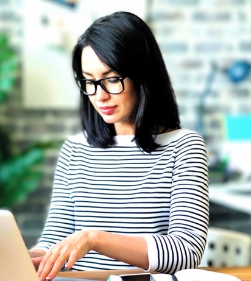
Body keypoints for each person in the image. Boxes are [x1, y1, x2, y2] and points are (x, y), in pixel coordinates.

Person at [28, 11, 210, 281]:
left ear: (142, 75)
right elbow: (56, 236)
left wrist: (94, 239)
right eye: (89, 81)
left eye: (111, 79)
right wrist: (30, 257)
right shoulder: (74, 150)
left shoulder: (183, 147)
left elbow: (186, 250)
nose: (99, 95)